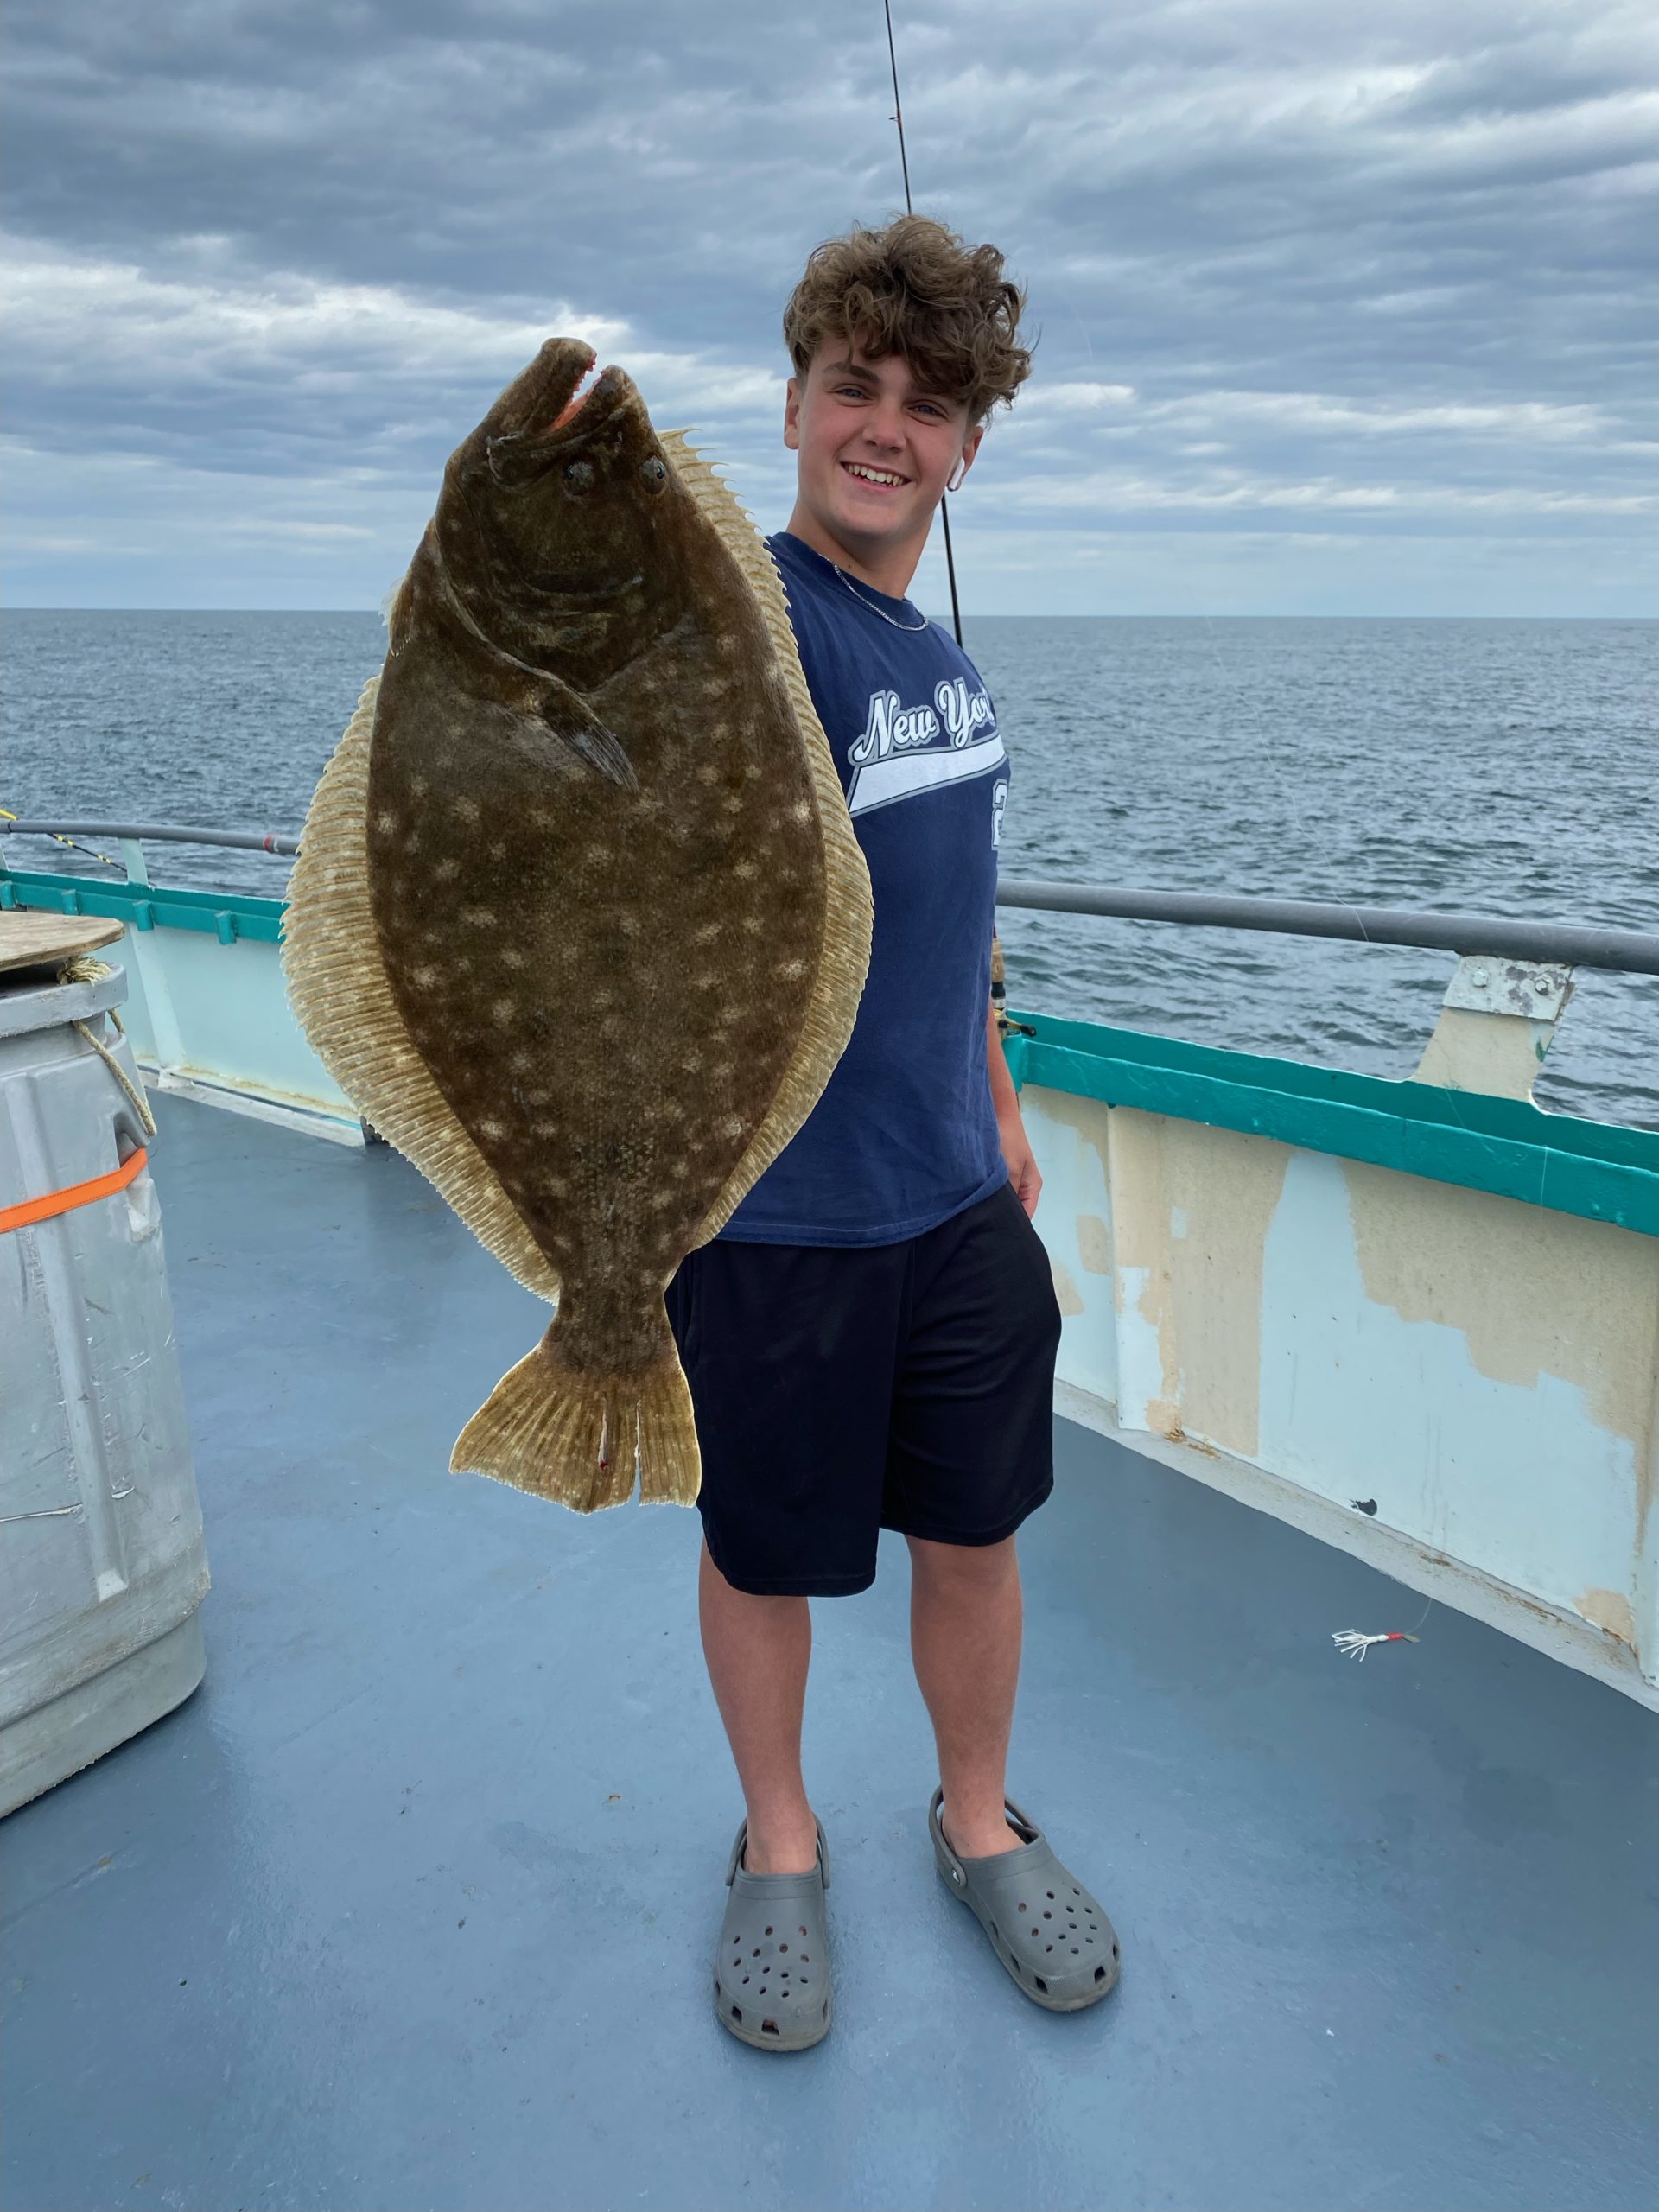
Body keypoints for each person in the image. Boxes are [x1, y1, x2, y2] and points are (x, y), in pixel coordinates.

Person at [664, 215, 1120, 2053]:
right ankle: (781, 1837)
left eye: (928, 406)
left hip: (954, 1201)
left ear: (968, 449)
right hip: (772, 1218)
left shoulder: (943, 661)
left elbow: (963, 905)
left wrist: (1000, 1105)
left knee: (977, 1534)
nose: (886, 427)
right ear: (793, 403)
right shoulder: (741, 629)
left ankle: (977, 1813)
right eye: (854, 387)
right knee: (761, 1546)